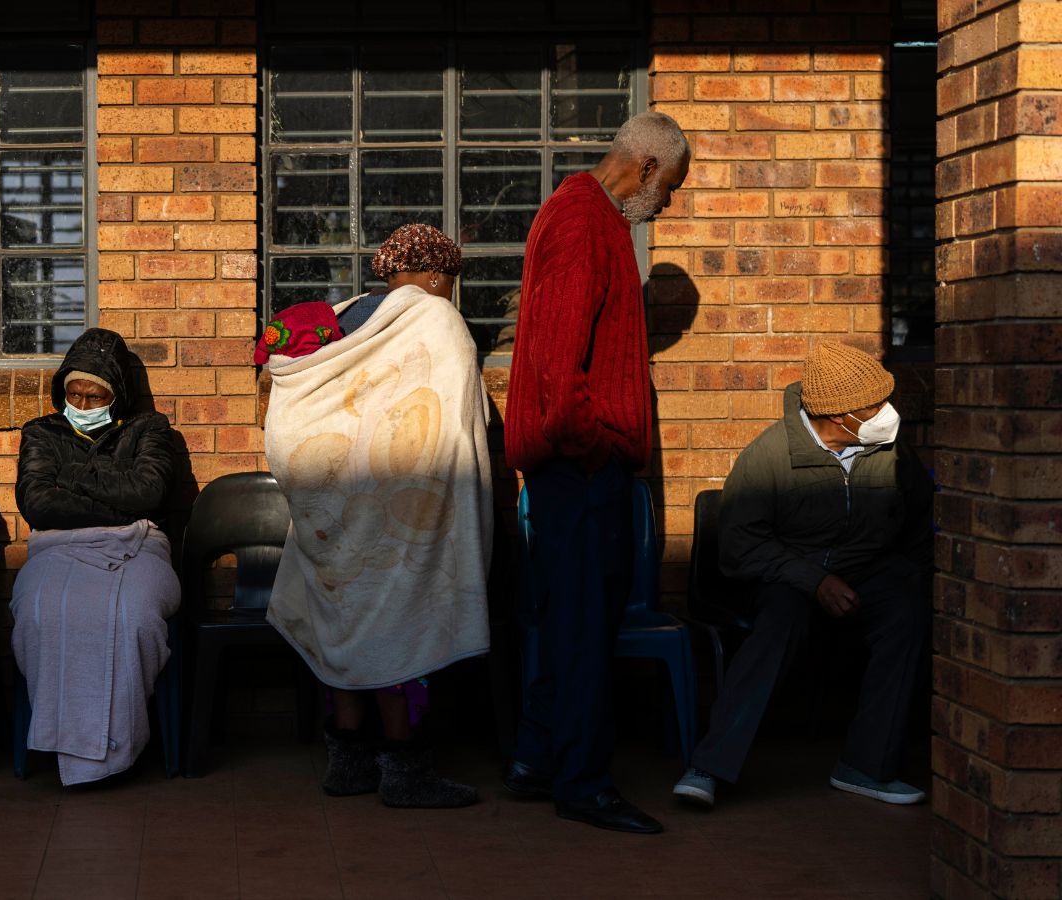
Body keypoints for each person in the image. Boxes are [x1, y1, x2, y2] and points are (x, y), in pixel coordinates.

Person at [502, 112, 690, 834]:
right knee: (585, 628)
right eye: (669, 186)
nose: (667, 203)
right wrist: (597, 442)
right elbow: (557, 363)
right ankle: (581, 782)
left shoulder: (586, 214)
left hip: (575, 469)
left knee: (567, 620)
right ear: (645, 165)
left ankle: (536, 759)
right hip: (580, 468)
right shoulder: (584, 220)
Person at [264, 223, 493, 808]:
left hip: (329, 505)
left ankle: (347, 764)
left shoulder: (341, 320)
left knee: (343, 621)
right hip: (400, 507)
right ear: (438, 275)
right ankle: (406, 772)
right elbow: (453, 422)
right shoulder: (436, 319)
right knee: (398, 626)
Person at [673, 341, 932, 809]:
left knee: (908, 609)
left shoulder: (890, 450)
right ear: (838, 417)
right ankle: (708, 766)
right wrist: (814, 580)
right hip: (788, 577)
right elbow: (740, 545)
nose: (886, 415)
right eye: (874, 408)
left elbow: (917, 521)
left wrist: (914, 575)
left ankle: (867, 765)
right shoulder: (770, 456)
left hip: (866, 572)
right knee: (780, 621)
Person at [11, 328, 179, 785]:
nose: (83, 406)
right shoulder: (41, 432)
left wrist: (73, 474)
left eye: (95, 396)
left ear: (116, 395)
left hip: (138, 544)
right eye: (75, 394)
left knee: (133, 616)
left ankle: (115, 744)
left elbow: (148, 493)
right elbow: (37, 503)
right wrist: (114, 493)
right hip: (57, 549)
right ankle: (67, 739)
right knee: (40, 613)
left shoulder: (150, 429)